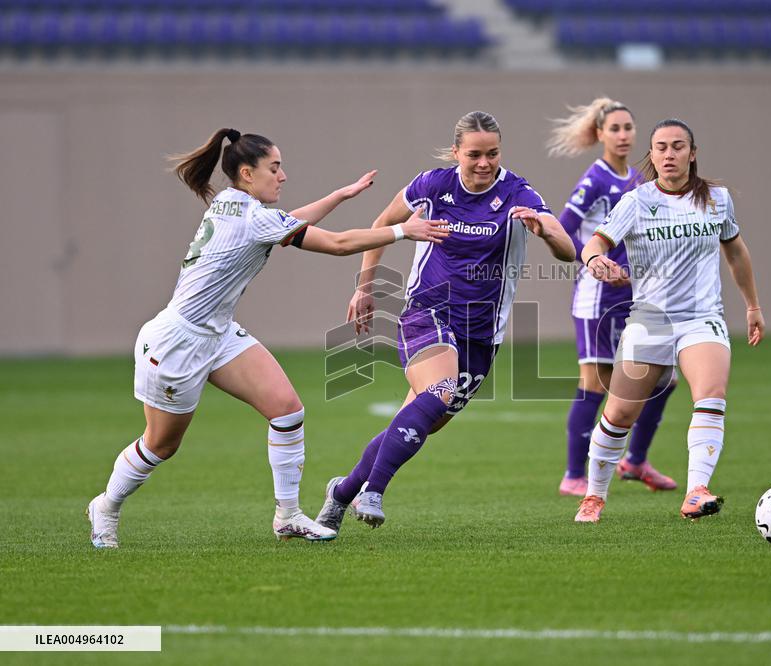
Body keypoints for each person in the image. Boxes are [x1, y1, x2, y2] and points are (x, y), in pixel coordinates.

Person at [85, 128, 449, 548]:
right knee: (161, 445)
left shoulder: (233, 202)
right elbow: (337, 244)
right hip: (177, 343)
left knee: (287, 410)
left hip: (218, 334)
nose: (283, 176)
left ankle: (288, 515)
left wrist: (339, 196)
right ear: (246, 172)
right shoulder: (254, 218)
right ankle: (106, 506)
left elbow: (290, 222)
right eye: (274, 167)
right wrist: (404, 231)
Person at [315, 110, 575, 533]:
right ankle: (373, 492)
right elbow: (382, 225)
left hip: (481, 333)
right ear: (456, 152)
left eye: (492, 154)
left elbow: (567, 249)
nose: (484, 163)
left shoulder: (517, 192)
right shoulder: (432, 185)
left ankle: (341, 493)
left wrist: (544, 230)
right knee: (437, 392)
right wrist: (365, 286)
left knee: (421, 421)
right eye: (474, 154)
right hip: (427, 311)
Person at [573, 118, 765, 523]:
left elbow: (735, 252)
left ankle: (696, 490)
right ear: (652, 155)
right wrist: (595, 260)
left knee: (711, 397)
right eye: (660, 147)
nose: (669, 154)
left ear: (692, 154)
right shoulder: (637, 201)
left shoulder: (717, 199)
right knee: (620, 414)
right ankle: (593, 495)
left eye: (678, 146)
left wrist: (752, 306)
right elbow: (596, 241)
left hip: (702, 319)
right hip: (650, 322)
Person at [548, 97, 679, 498]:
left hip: (632, 295)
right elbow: (561, 228)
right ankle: (573, 474)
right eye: (615, 129)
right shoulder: (597, 179)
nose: (623, 135)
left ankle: (635, 461)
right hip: (596, 296)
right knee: (596, 383)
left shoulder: (638, 179)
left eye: (628, 128)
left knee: (664, 378)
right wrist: (595, 263)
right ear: (600, 134)